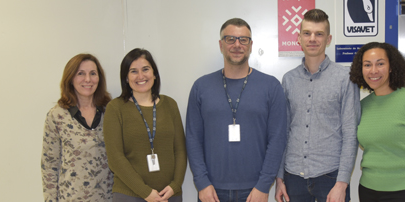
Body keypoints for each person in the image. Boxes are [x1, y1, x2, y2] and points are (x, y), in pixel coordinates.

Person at [186, 18, 287, 202]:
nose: (237, 45)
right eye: (230, 39)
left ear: (250, 45)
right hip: (212, 191)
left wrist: (264, 185)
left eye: (243, 39)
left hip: (255, 190)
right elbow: (193, 139)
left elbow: (278, 139)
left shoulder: (271, 86)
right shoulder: (201, 87)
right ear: (221, 44)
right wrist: (201, 183)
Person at [275, 9, 361, 202]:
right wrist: (279, 177)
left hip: (330, 177)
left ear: (328, 39)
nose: (312, 38)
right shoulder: (288, 80)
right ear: (299, 38)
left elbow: (350, 134)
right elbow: (283, 132)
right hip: (293, 177)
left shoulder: (345, 78)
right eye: (307, 33)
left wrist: (342, 182)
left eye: (319, 34)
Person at [349, 42, 405, 202]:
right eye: (367, 65)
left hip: (404, 190)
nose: (373, 70)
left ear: (391, 67)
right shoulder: (363, 106)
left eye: (380, 64)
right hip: (368, 189)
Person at [104, 48, 187, 202]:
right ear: (126, 78)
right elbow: (115, 158)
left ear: (154, 74)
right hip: (130, 195)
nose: (140, 76)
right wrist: (145, 192)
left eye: (145, 69)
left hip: (169, 195)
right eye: (133, 71)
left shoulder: (170, 104)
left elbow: (180, 150)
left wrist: (175, 185)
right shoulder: (115, 108)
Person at [42, 53, 114, 201]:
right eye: (81, 73)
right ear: (70, 79)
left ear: (99, 79)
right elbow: (49, 165)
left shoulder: (111, 111)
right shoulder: (56, 116)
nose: (88, 79)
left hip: (109, 197)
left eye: (93, 73)